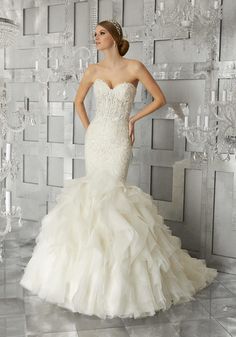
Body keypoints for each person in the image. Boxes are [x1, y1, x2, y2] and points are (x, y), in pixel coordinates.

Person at [20, 19, 217, 320]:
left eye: (101, 34)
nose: (96, 38)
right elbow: (78, 102)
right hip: (97, 138)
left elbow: (160, 98)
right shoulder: (93, 70)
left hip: (119, 139)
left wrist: (133, 120)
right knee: (92, 200)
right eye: (95, 34)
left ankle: (120, 283)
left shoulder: (135, 68)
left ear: (114, 37)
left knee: (115, 197)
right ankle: (87, 278)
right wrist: (89, 130)